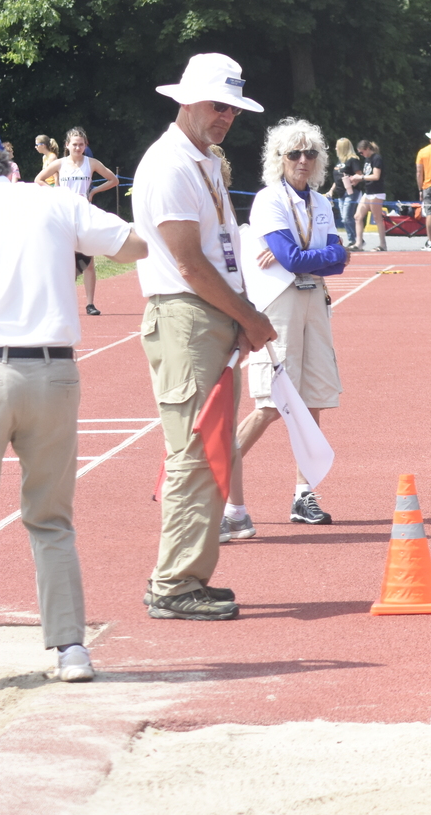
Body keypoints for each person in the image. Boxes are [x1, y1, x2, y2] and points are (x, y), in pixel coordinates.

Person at [131, 52, 277, 621]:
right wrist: (248, 316)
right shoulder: (169, 164)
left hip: (207, 315)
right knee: (194, 451)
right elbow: (189, 263)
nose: (227, 117)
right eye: (220, 105)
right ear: (187, 100)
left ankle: (187, 575)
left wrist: (240, 316)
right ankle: (173, 583)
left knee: (209, 448)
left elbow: (216, 253)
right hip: (188, 315)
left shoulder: (204, 162)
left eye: (236, 109)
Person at [0, 148, 146, 681]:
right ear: (14, 171)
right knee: (50, 519)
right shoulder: (55, 200)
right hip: (52, 369)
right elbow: (134, 245)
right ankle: (70, 649)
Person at [225, 117, 349, 540]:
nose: (302, 160)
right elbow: (296, 257)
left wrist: (305, 256)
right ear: (278, 159)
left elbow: (339, 259)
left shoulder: (321, 202)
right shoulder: (268, 200)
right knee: (271, 399)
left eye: (310, 153)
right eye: (293, 153)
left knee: (313, 396)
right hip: (278, 303)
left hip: (314, 299)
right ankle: (213, 479)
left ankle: (304, 493)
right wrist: (315, 254)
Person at [34, 127, 120, 316]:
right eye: (74, 144)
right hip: (64, 215)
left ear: (85, 145)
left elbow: (113, 180)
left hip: (83, 215)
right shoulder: (60, 163)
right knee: (62, 260)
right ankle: (58, 303)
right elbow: (39, 179)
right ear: (67, 145)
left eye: (81, 144)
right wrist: (55, 194)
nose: (78, 148)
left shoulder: (91, 163)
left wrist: (94, 191)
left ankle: (90, 304)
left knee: (88, 261)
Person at [353, 140, 387, 252]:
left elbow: (376, 176)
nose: (361, 155)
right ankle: (358, 243)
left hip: (377, 192)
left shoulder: (376, 158)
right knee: (357, 216)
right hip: (368, 192)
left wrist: (360, 178)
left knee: (377, 218)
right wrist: (356, 179)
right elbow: (366, 175)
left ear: (367, 149)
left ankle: (382, 244)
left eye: (362, 152)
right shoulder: (367, 160)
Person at [331, 138, 361, 240]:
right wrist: (331, 190)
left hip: (350, 192)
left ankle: (356, 239)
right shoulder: (340, 160)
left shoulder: (353, 160)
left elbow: (359, 175)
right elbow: (338, 178)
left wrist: (351, 182)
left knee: (346, 217)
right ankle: (352, 239)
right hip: (340, 192)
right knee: (344, 219)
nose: (335, 148)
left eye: (337, 146)